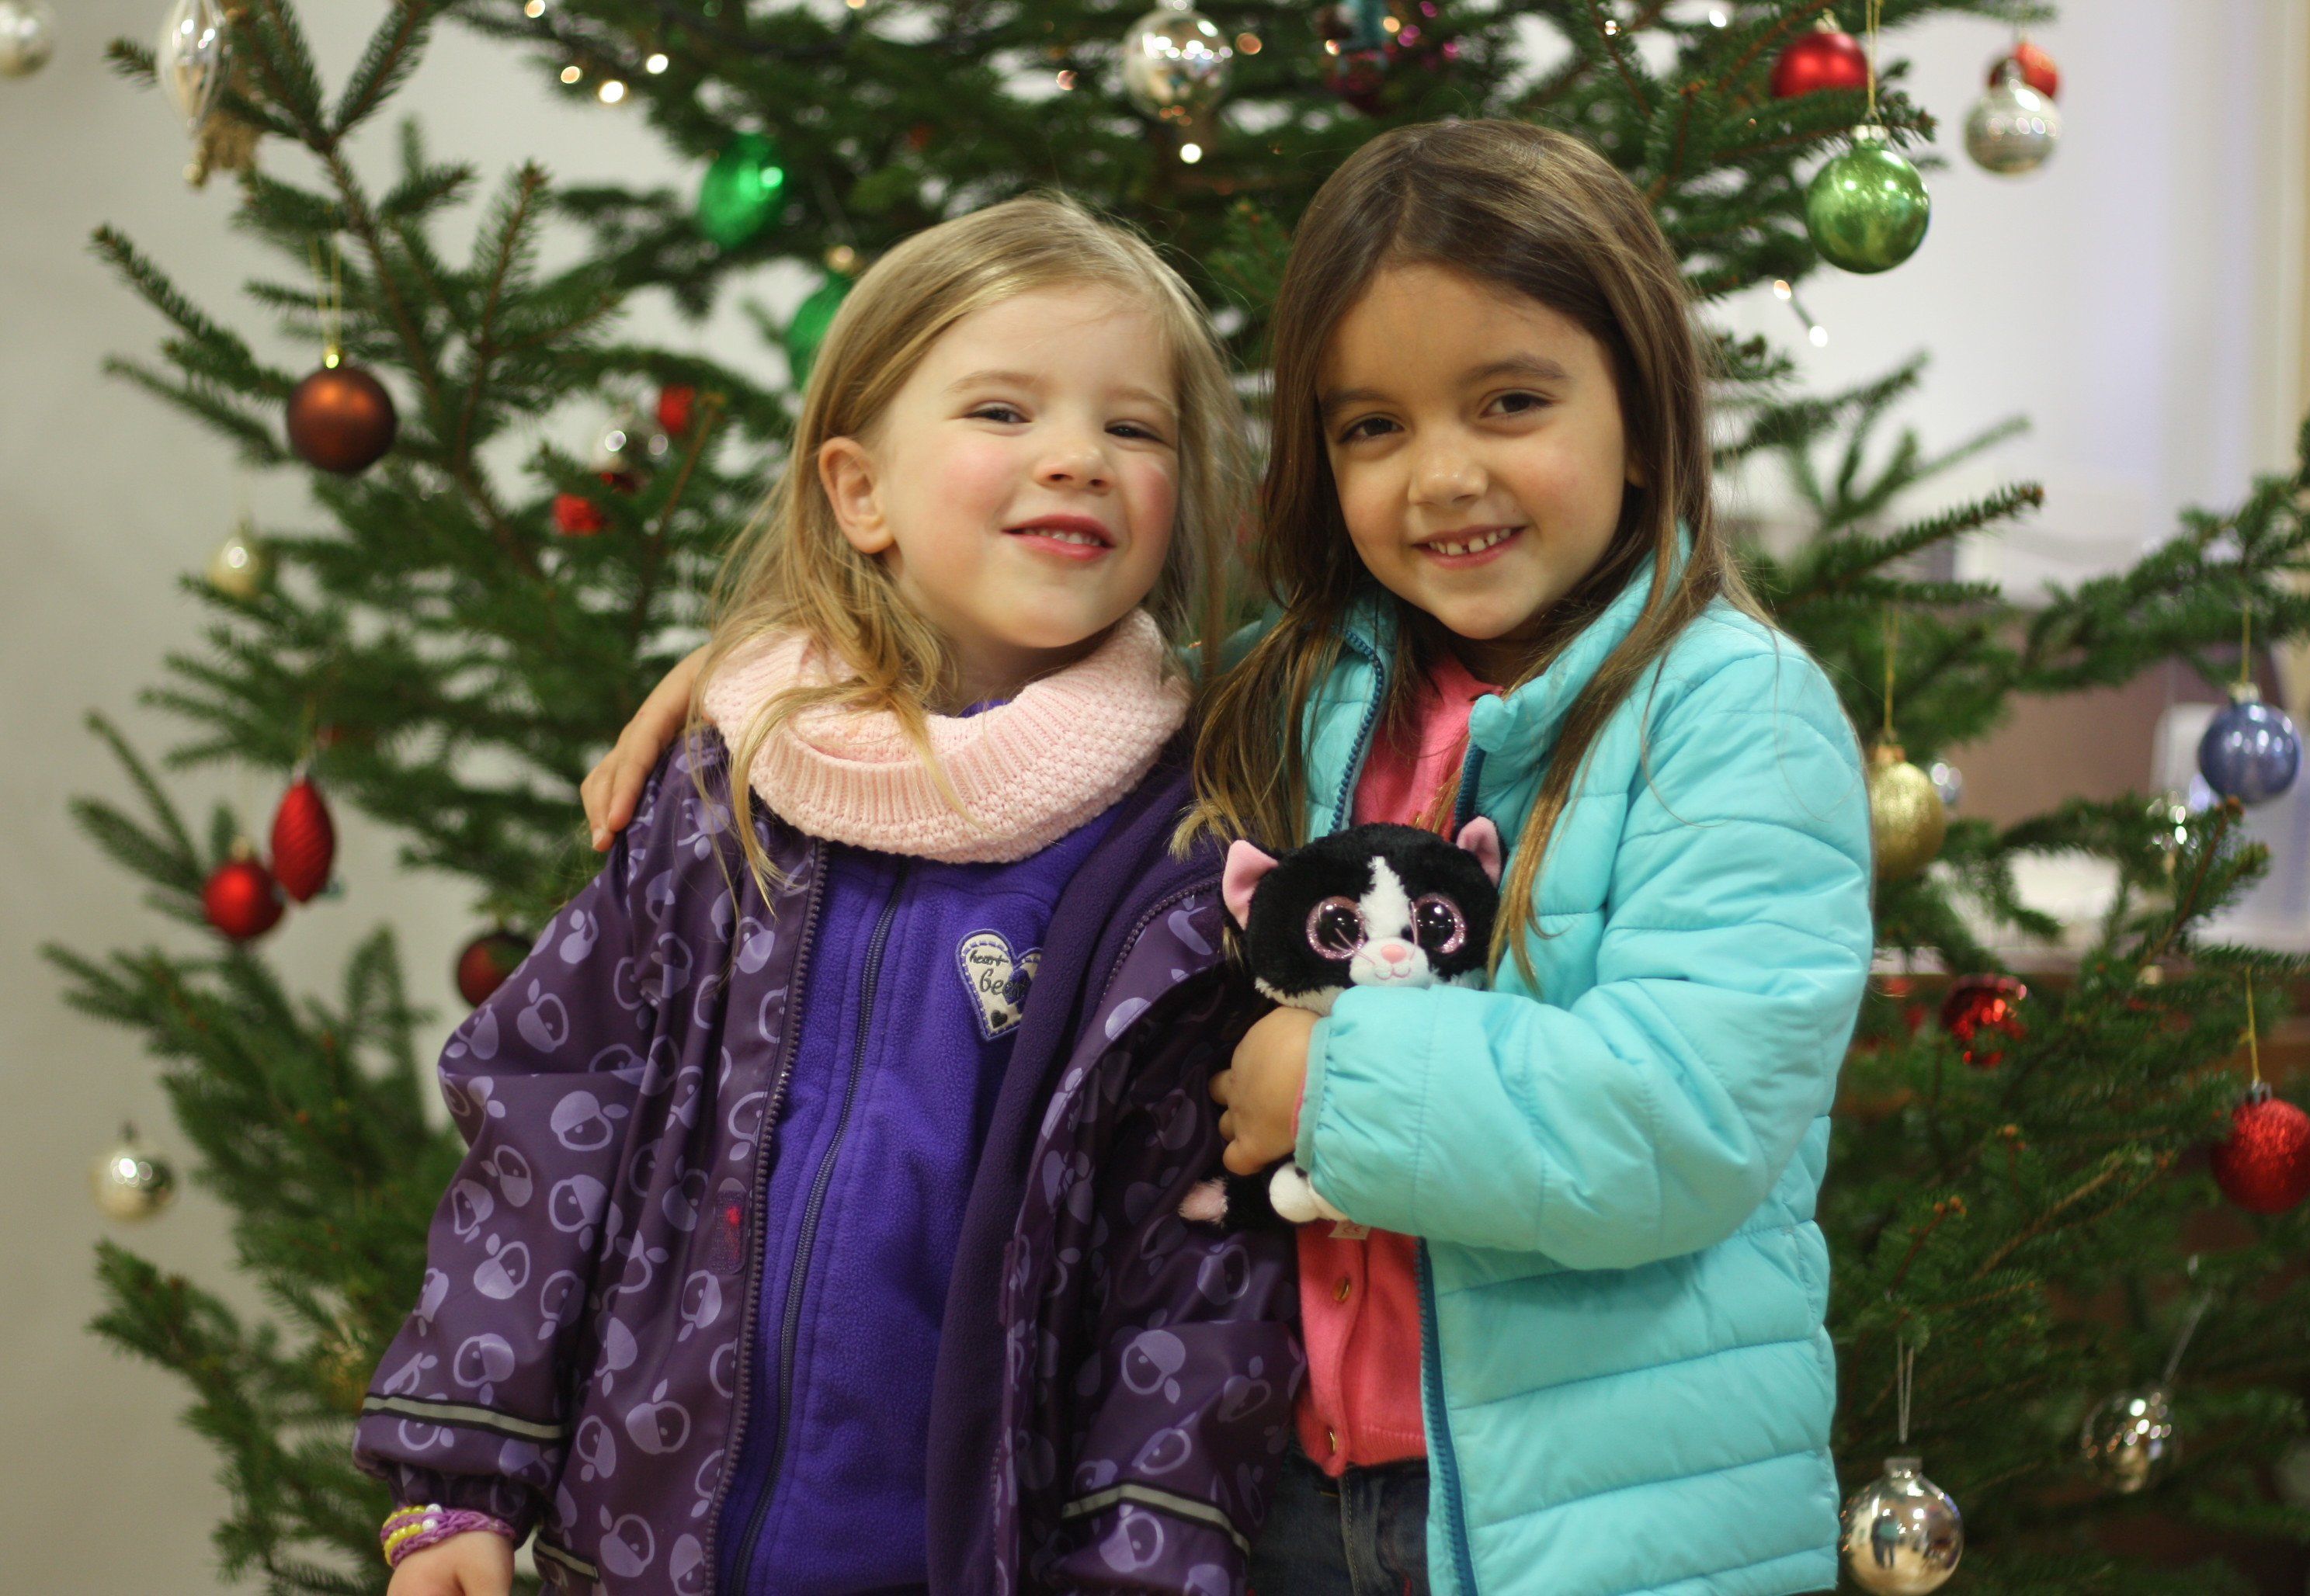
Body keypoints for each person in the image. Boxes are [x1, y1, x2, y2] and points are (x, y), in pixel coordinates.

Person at [589, 121, 1875, 1596]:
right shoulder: (1292, 692)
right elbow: (1029, 705)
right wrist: (771, 679)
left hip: (1599, 1537)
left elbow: (1684, 1119)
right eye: (1373, 427)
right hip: (1284, 1508)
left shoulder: (1735, 713)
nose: (1443, 475)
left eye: (1511, 402)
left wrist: (1329, 1085)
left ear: (1644, 417)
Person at [358, 194, 1301, 1596]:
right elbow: (550, 1113)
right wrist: (458, 1483)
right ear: (861, 493)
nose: (1077, 457)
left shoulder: (1181, 858)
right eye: (1002, 411)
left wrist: (1144, 1560)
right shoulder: (725, 792)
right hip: (641, 1551)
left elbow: (1197, 1256)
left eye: (1134, 428)